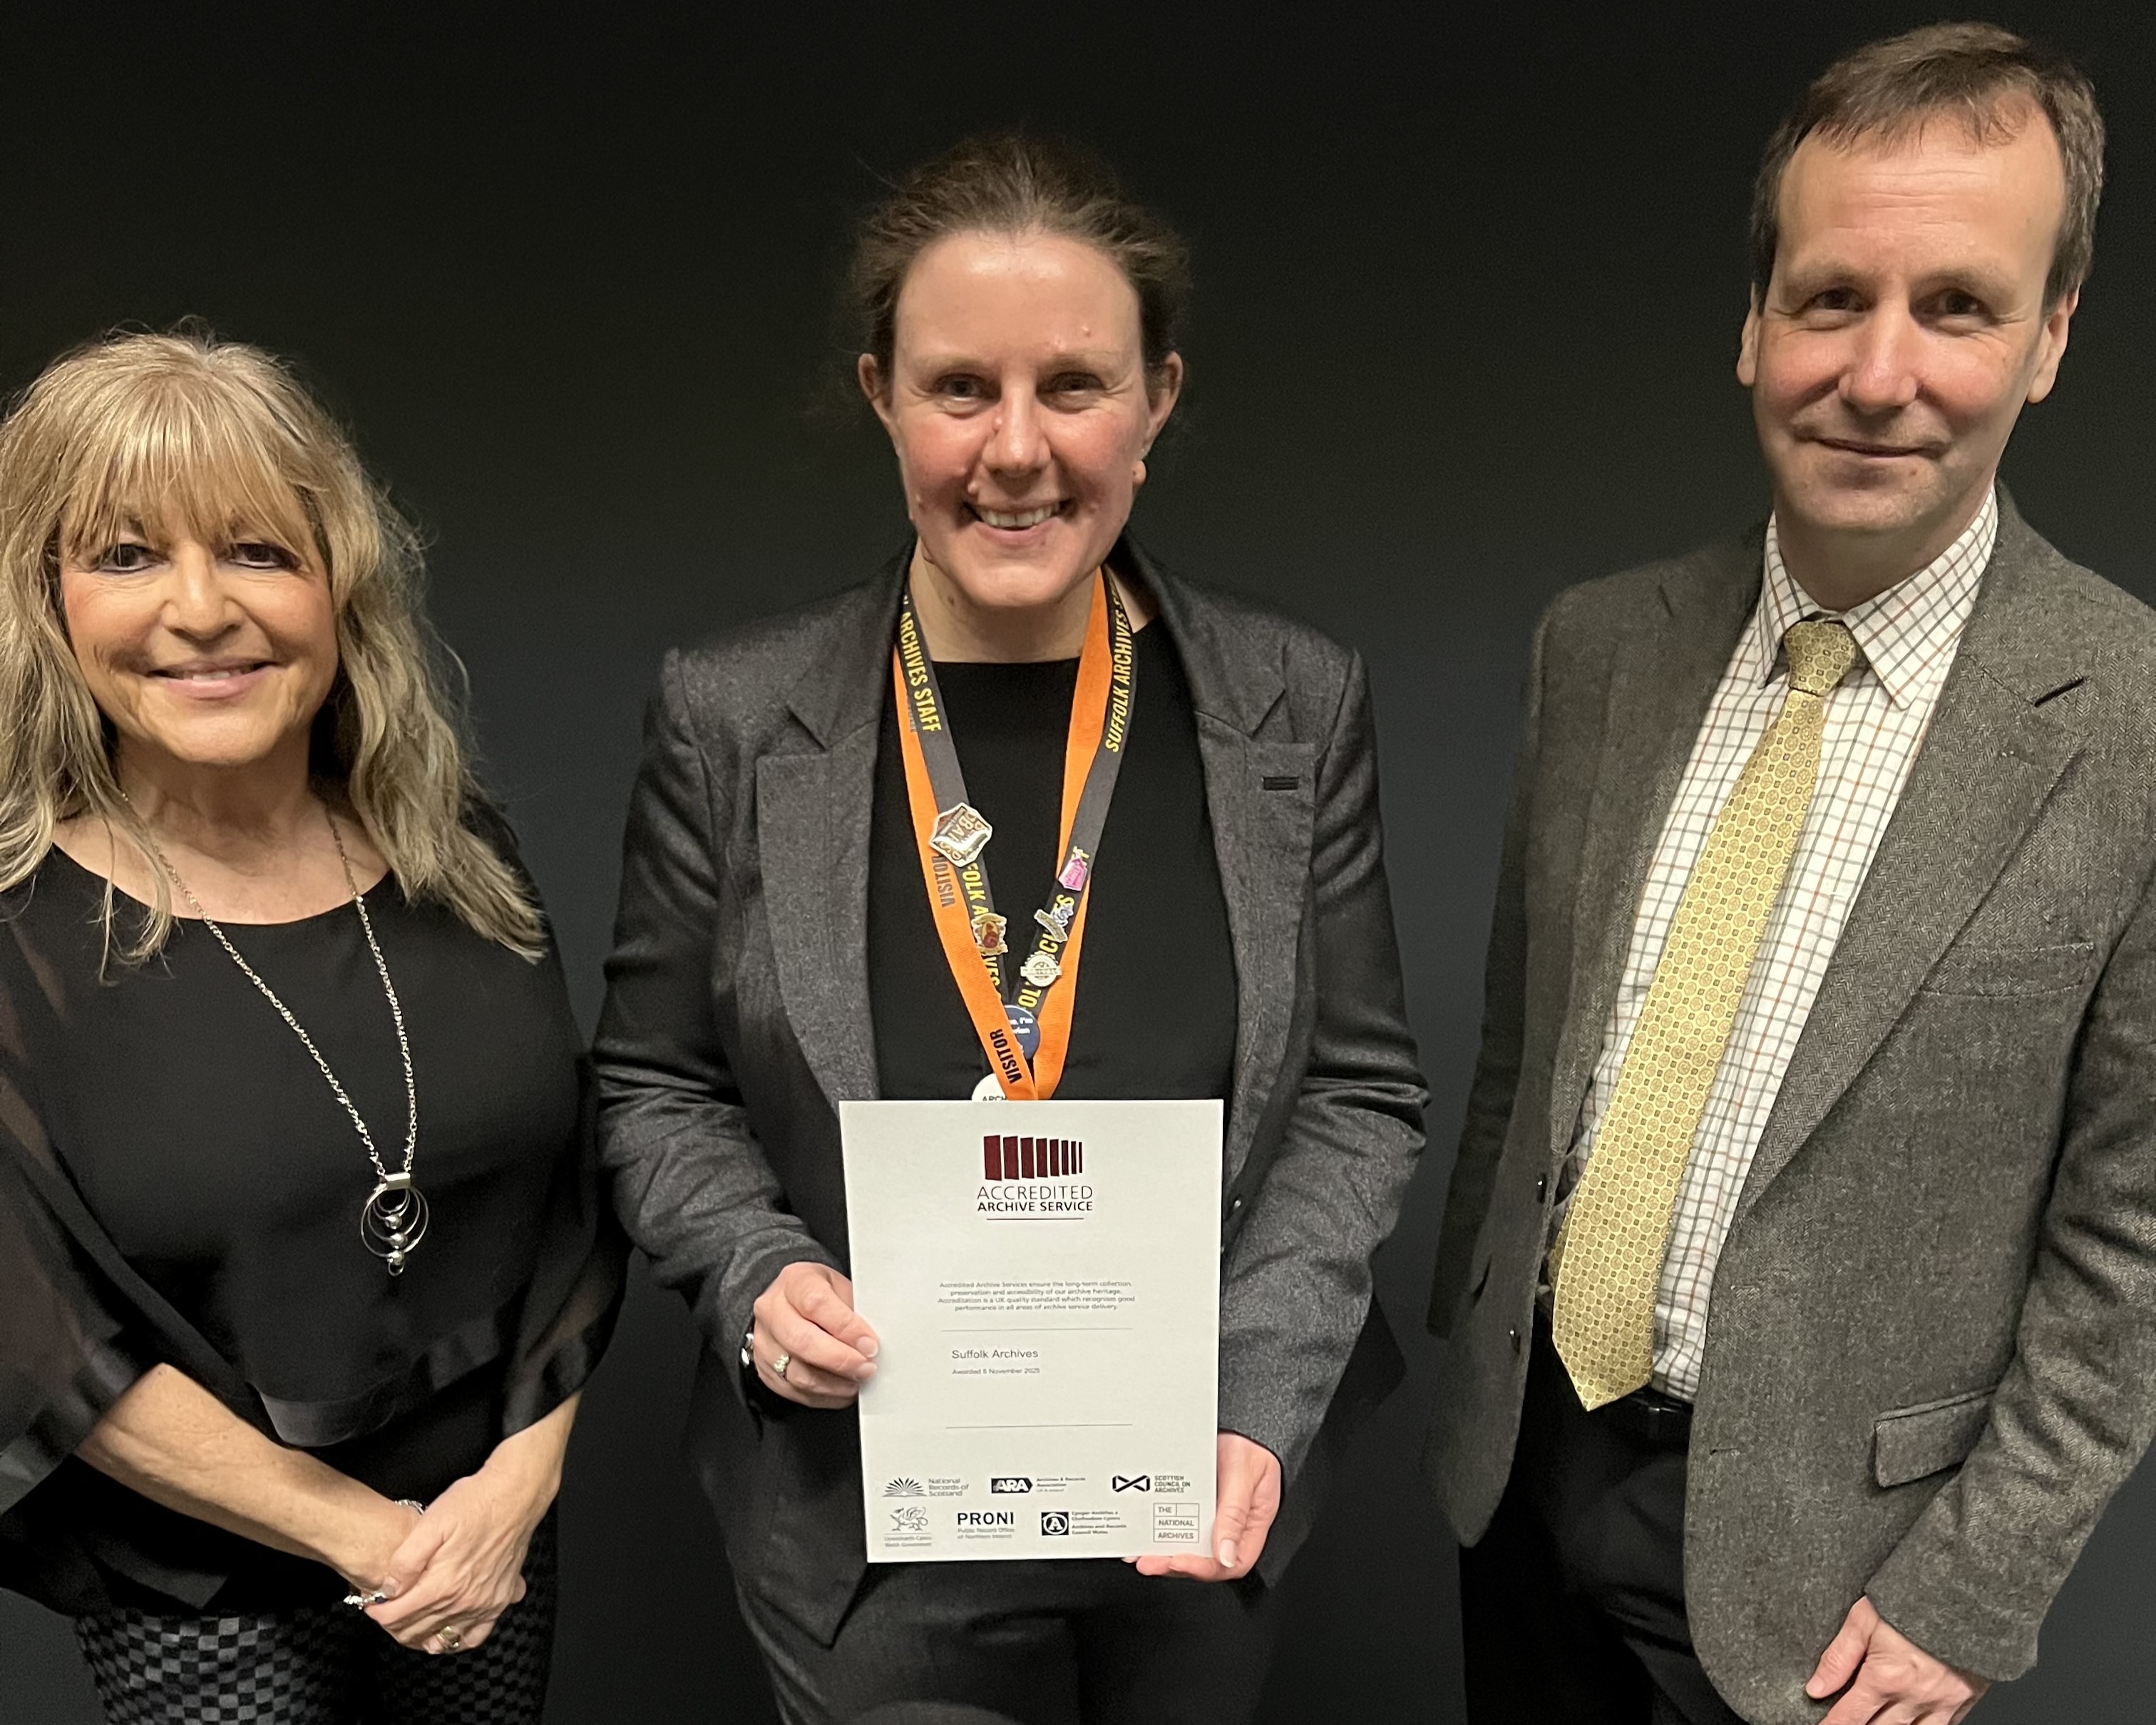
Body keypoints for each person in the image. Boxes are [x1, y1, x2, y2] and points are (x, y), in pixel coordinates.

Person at [596, 134, 1425, 1724]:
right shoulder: (734, 712)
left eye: (1076, 387)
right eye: (961, 388)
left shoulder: (1289, 702)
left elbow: (1360, 1092)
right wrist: (757, 1277)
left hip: (1192, 1490)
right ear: (881, 398)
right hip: (865, 1517)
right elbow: (654, 1086)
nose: (1019, 450)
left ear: (1159, 400)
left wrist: (1260, 1398)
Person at [1424, 22, 2154, 1725]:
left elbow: (2137, 1229)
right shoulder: (1597, 647)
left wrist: (1972, 1589)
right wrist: (1477, 1379)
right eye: (1832, 298)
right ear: (1753, 321)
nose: (1879, 372)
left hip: (1836, 1585)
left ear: (2050, 339)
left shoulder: (2127, 723)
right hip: (1525, 1485)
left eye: (1958, 308)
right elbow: (1527, 1069)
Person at [0, 330, 624, 1722]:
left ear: (342, 585)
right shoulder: (16, 940)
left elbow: (572, 1207)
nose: (202, 608)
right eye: (124, 555)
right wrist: (367, 1537)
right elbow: (31, 1338)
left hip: (487, 1538)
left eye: (259, 551)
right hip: (213, 1597)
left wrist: (513, 1492)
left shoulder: (458, 858)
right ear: (44, 599)